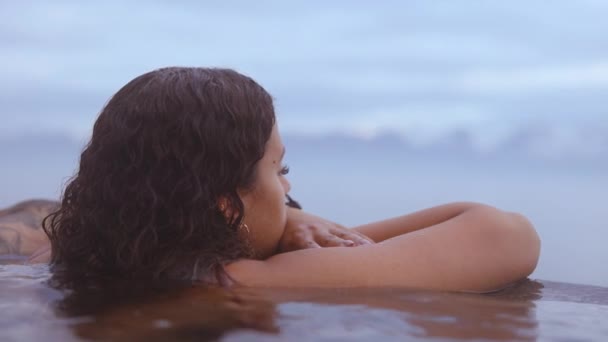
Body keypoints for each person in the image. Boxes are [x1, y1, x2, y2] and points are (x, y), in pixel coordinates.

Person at [29, 67, 539, 292]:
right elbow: (506, 234)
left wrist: (288, 222)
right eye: (280, 171)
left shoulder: (86, 253)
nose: (290, 191)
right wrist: (286, 227)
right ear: (227, 205)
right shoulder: (241, 283)